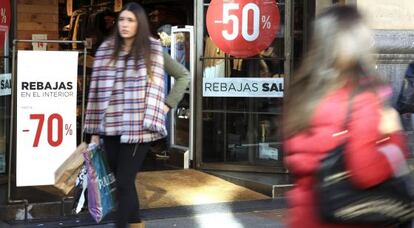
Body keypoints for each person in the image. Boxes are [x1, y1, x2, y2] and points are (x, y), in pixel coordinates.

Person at [283, 5, 409, 228]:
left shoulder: (300, 94)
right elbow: (366, 172)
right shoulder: (360, 97)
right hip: (345, 217)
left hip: (304, 216)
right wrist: (395, 138)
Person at [84, 2, 189, 228]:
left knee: (123, 181)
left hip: (140, 128)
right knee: (123, 181)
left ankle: (121, 225)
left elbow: (183, 76)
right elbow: (96, 91)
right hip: (109, 126)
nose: (124, 24)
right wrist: (94, 132)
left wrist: (167, 105)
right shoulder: (106, 50)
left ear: (139, 24)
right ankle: (135, 222)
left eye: (130, 20)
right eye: (122, 19)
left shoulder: (153, 50)